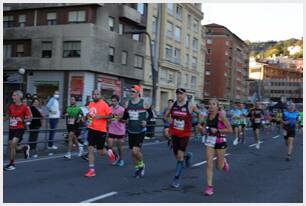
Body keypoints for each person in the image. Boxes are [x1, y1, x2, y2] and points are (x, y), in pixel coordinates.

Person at [163, 88, 200, 188]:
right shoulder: (172, 105)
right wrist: (169, 121)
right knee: (177, 155)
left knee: (179, 156)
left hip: (185, 134)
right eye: (177, 94)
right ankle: (188, 156)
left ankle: (176, 179)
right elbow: (165, 116)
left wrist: (199, 124)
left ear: (185, 95)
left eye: (181, 94)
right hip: (174, 133)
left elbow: (199, 113)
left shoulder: (190, 105)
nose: (179, 96)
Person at [198, 98, 232, 196]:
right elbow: (204, 131)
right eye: (210, 104)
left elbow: (230, 130)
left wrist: (217, 130)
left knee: (219, 167)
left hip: (220, 140)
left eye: (214, 104)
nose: (211, 106)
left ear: (217, 106)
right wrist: (200, 129)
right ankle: (209, 187)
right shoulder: (206, 116)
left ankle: (223, 162)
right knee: (209, 164)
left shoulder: (221, 116)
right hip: (210, 141)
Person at [121, 85, 150, 178]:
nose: (131, 93)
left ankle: (142, 165)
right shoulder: (127, 103)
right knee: (133, 153)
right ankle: (137, 169)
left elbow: (152, 115)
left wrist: (146, 121)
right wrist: (117, 118)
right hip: (131, 130)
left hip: (140, 130)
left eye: (133, 91)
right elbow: (124, 117)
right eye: (130, 91)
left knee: (135, 151)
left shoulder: (144, 103)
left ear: (138, 93)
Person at [84, 89, 113, 177]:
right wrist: (86, 118)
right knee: (90, 149)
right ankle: (91, 170)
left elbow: (111, 116)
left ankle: (109, 152)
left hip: (101, 130)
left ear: (100, 95)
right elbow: (89, 115)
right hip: (91, 129)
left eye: (97, 94)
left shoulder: (104, 104)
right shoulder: (90, 104)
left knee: (100, 152)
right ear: (92, 95)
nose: (95, 96)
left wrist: (101, 116)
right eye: (94, 94)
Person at [4, 90, 32, 171]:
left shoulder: (24, 107)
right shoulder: (10, 106)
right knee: (13, 147)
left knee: (13, 144)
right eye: (12, 95)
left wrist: (23, 120)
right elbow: (7, 117)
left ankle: (11, 164)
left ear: (19, 97)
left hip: (20, 128)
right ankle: (24, 148)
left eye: (14, 95)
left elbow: (30, 118)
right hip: (11, 129)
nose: (12, 97)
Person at [107, 95, 126, 166]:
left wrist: (120, 118)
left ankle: (121, 160)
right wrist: (108, 119)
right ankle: (115, 157)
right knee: (109, 146)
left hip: (120, 130)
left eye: (115, 101)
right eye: (112, 101)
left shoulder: (122, 109)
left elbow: (125, 121)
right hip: (111, 129)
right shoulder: (109, 109)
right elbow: (108, 119)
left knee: (119, 147)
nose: (113, 102)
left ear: (118, 101)